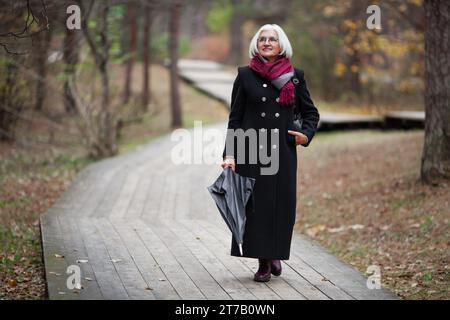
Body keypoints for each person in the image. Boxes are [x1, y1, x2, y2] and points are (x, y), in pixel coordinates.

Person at [221, 24, 320, 282]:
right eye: (262, 39)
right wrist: (229, 154)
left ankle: (275, 252)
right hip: (251, 150)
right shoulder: (245, 76)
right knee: (255, 208)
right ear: (256, 44)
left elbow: (311, 113)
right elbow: (235, 119)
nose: (266, 43)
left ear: (281, 45)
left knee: (281, 206)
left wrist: (306, 135)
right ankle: (263, 261)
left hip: (283, 153)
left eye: (272, 39)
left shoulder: (295, 77)